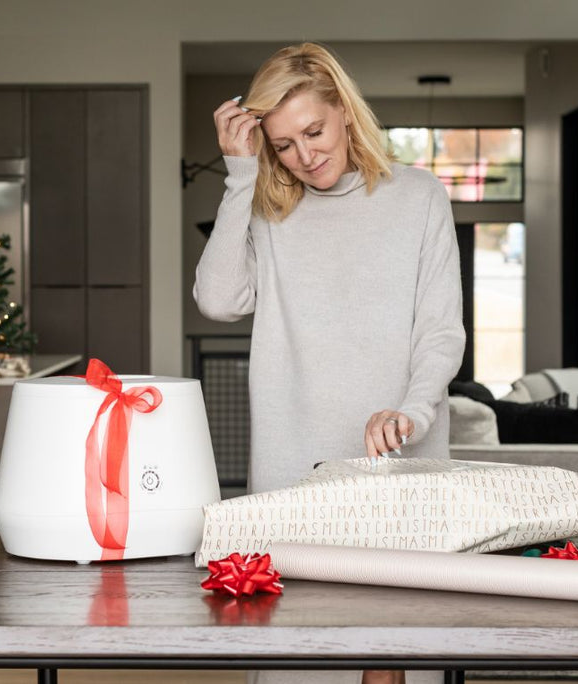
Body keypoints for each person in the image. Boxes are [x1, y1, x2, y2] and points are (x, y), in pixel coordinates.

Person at [194, 42, 465, 684]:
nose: (303, 155)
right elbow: (217, 299)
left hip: (403, 472)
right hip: (294, 479)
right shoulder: (267, 209)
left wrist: (414, 410)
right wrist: (239, 176)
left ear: (343, 110)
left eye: (313, 131)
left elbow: (440, 333)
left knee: (406, 665)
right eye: (282, 144)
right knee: (297, 667)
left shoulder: (420, 197)